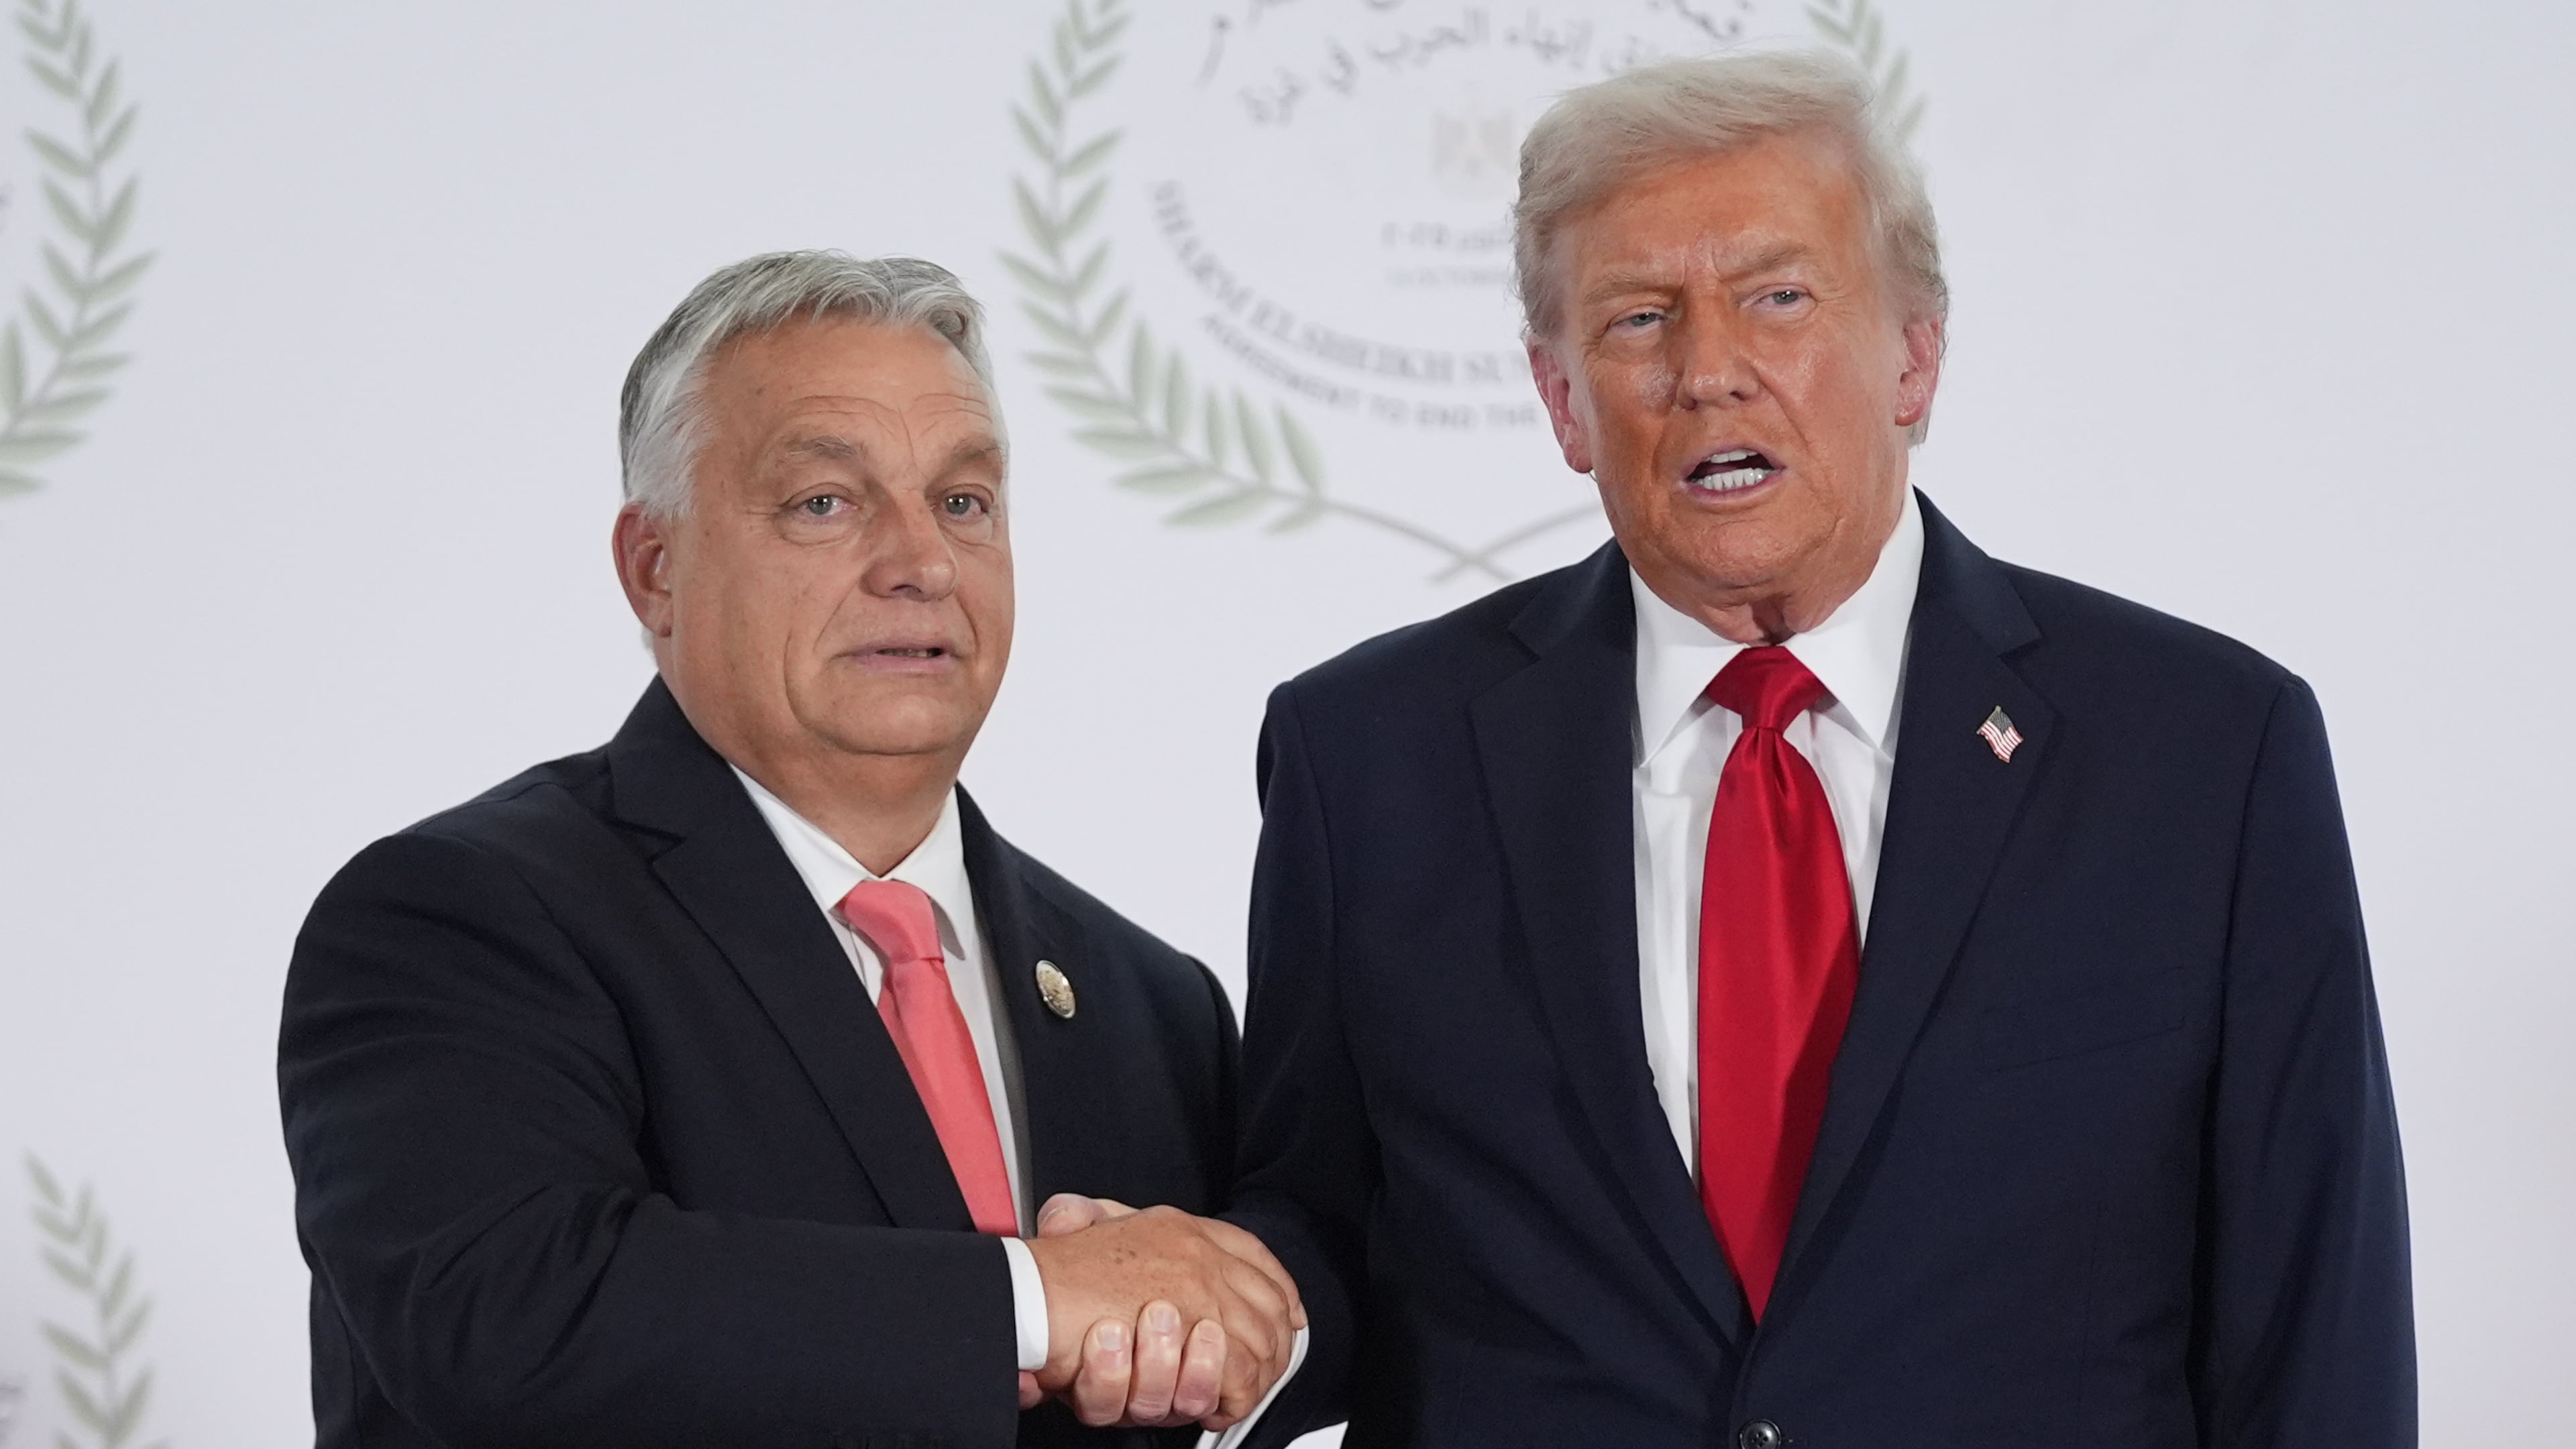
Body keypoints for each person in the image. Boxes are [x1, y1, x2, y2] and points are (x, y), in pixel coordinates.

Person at [1218, 51, 2414, 1447]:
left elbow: (2313, 1327)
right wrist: (1181, 1307)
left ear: (1914, 355)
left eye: (1778, 298)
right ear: (1560, 402)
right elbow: (1318, 1242)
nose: (1708, 370)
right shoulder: (1369, 757)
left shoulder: (2207, 754)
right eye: (1636, 319)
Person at [278, 252, 1300, 1448]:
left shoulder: (1151, 1005)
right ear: (653, 569)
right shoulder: (461, 916)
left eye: (964, 502)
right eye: (826, 502)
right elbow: (506, 1315)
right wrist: (1035, 1297)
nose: (922, 562)